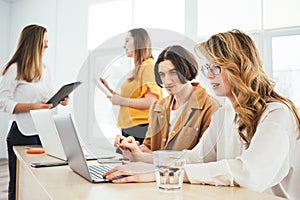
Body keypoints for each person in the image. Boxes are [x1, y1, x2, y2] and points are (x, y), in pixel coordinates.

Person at [103, 30, 300, 200]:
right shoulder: (224, 115)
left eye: (216, 67)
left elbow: (249, 173)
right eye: (207, 67)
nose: (209, 74)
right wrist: (141, 158)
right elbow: (195, 159)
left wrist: (162, 172)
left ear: (239, 66)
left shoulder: (277, 114)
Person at [0, 24, 69, 200]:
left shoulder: (45, 70)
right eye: (43, 42)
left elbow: (47, 99)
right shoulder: (14, 69)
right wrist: (32, 106)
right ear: (32, 43)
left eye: (47, 42)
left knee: (39, 182)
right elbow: (3, 102)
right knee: (18, 183)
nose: (47, 46)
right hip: (22, 133)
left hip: (44, 132)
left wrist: (60, 100)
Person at [114, 45, 220, 154]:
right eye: (162, 75)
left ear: (186, 69)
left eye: (173, 72)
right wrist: (132, 147)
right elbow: (147, 148)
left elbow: (203, 157)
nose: (167, 81)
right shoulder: (157, 107)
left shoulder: (211, 107)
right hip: (154, 171)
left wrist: (155, 157)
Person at [100, 28, 162, 145]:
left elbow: (151, 102)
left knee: (131, 162)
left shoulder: (148, 67)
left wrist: (121, 101)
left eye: (127, 41)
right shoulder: (138, 69)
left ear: (139, 42)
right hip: (130, 128)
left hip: (141, 128)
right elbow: (132, 98)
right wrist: (108, 90)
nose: (124, 46)